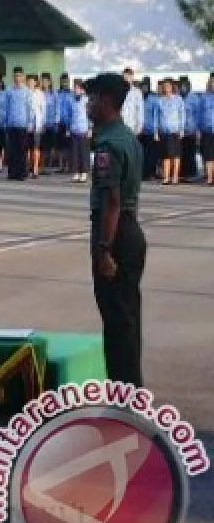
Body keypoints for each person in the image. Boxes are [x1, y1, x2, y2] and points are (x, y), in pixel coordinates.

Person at [85, 73, 146, 387]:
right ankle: (131, 391)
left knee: (116, 321)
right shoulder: (128, 137)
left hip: (115, 233)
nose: (88, 104)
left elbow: (111, 200)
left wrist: (104, 249)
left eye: (92, 98)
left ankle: (124, 395)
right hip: (130, 227)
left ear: (106, 101)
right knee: (127, 318)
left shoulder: (108, 144)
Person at [155, 78, 184, 185]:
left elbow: (182, 114)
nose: (166, 88)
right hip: (164, 131)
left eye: (168, 86)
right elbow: (156, 117)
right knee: (165, 155)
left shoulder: (178, 99)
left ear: (172, 87)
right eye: (164, 86)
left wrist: (181, 129)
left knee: (176, 155)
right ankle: (166, 177)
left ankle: (175, 176)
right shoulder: (159, 100)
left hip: (175, 130)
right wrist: (156, 131)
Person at [4, 68, 32, 180]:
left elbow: (30, 108)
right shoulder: (9, 91)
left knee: (21, 150)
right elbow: (6, 107)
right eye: (15, 76)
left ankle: (21, 173)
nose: (17, 78)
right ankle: (12, 172)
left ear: (23, 77)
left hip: (22, 124)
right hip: (11, 124)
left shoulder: (27, 91)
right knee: (12, 150)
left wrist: (30, 123)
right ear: (13, 77)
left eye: (19, 76)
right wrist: (5, 122)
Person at [63, 78, 91, 183]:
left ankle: (84, 173)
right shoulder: (70, 100)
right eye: (75, 88)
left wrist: (90, 128)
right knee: (74, 152)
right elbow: (68, 115)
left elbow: (90, 115)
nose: (76, 90)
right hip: (74, 128)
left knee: (83, 152)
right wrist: (67, 128)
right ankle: (76, 173)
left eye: (78, 88)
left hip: (84, 129)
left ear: (82, 89)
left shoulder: (86, 100)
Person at [201, 77, 214, 186]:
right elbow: (199, 113)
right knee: (208, 155)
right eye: (212, 83)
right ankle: (209, 178)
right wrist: (198, 128)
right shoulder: (204, 97)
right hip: (207, 129)